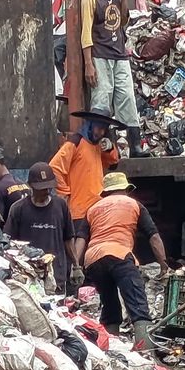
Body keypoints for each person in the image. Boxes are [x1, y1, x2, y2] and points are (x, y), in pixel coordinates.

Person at [79, 172, 169, 349]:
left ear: (105, 192)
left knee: (109, 304)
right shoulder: (133, 204)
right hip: (119, 254)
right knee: (137, 302)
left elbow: (80, 238)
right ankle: (145, 351)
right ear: (126, 189)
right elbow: (153, 236)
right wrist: (163, 264)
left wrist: (76, 265)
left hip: (93, 259)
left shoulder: (93, 208)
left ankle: (109, 348)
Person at [81, 0, 148, 158]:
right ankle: (100, 148)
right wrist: (88, 64)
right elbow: (86, 32)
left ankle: (135, 146)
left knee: (127, 97)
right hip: (100, 56)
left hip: (119, 55)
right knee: (102, 99)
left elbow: (122, 21)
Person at [50, 109, 123, 281]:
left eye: (104, 129)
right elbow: (54, 168)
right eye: (98, 127)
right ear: (90, 125)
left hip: (95, 209)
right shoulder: (75, 142)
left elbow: (113, 162)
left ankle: (87, 287)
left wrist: (110, 148)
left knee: (91, 252)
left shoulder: (97, 145)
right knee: (76, 254)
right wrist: (65, 192)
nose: (101, 132)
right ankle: (74, 285)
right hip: (78, 211)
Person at [4, 162, 74, 293]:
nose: (46, 191)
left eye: (49, 188)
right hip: (29, 275)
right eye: (41, 188)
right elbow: (9, 242)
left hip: (56, 274)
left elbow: (68, 238)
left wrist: (76, 265)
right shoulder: (18, 209)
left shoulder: (61, 206)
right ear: (30, 186)